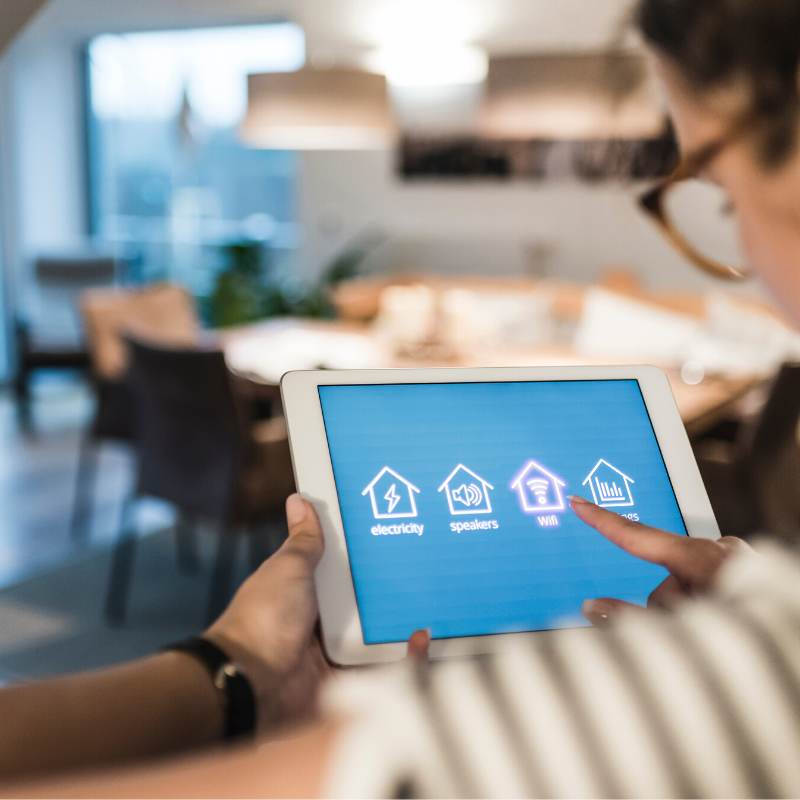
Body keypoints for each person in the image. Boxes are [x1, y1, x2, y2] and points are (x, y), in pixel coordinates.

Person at [5, 0, 800, 794]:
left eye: (721, 194)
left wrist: (253, 667)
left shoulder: (732, 685)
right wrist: (238, 664)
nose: (749, 262)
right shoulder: (748, 652)